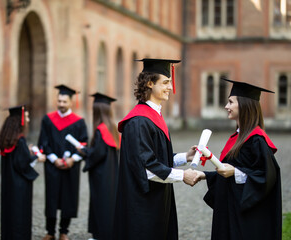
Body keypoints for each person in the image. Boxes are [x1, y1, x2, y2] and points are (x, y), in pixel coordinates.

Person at [113, 58, 198, 240]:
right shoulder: (139, 121)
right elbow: (145, 169)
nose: (170, 87)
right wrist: (182, 176)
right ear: (150, 83)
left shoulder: (153, 116)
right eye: (165, 82)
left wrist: (186, 157)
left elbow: (156, 158)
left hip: (157, 199)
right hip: (142, 204)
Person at [194, 78, 282, 240]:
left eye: (230, 102)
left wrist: (235, 171)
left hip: (245, 220)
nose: (226, 106)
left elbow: (267, 176)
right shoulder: (239, 137)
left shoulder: (256, 140)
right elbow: (232, 172)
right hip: (230, 211)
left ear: (244, 105)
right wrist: (205, 175)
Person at [38, 85, 88, 240]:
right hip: (53, 165)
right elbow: (43, 142)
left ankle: (64, 231)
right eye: (59, 101)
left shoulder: (79, 122)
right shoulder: (48, 119)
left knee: (68, 197)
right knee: (51, 197)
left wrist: (73, 159)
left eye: (64, 101)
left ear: (71, 103)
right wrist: (54, 159)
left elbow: (84, 145)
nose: (61, 104)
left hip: (70, 166)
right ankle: (50, 231)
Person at [0, 105, 46, 240]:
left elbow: (16, 158)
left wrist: (26, 151)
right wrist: (37, 157)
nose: (29, 120)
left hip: (9, 185)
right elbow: (23, 164)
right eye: (27, 116)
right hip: (19, 187)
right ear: (21, 120)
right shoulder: (20, 140)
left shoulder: (7, 138)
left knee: (9, 215)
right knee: (20, 216)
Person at [78, 93, 120, 240]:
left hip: (101, 176)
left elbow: (98, 154)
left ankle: (101, 235)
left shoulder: (100, 130)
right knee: (110, 205)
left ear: (97, 112)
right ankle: (109, 233)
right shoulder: (113, 129)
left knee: (101, 205)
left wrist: (84, 151)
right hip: (113, 175)